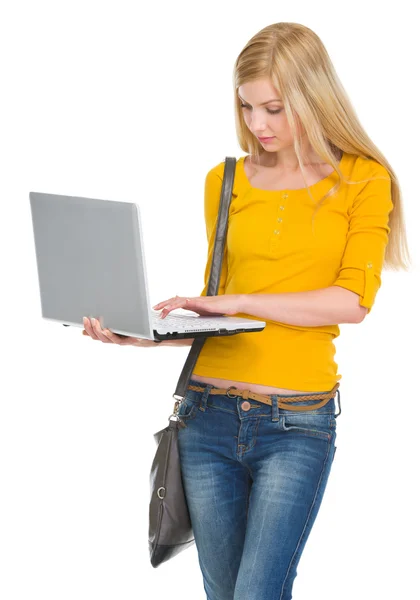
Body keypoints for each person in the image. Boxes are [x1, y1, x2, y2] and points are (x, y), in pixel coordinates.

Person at [82, 22, 410, 600]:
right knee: (222, 593)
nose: (257, 125)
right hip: (206, 416)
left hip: (296, 424)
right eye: (247, 107)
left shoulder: (363, 180)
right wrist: (145, 336)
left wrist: (234, 299)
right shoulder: (226, 180)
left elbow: (352, 303)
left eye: (274, 108)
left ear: (314, 98)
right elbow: (224, 317)